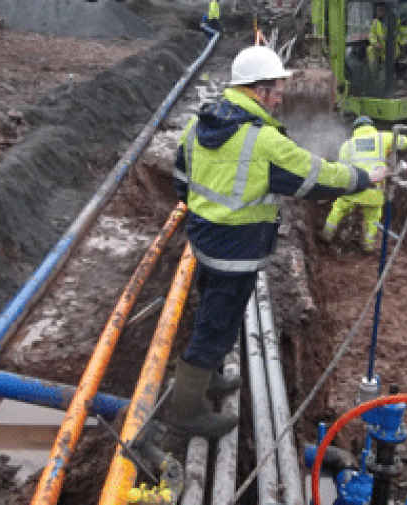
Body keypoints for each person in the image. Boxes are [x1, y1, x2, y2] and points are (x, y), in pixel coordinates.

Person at [166, 46, 394, 439]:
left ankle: (207, 378)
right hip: (236, 251)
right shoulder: (263, 142)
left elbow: (180, 180)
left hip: (204, 240)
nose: (279, 98)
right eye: (275, 90)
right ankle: (185, 410)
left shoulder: (198, 125)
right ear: (256, 89)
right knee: (216, 325)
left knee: (211, 310)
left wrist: (208, 214)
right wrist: (364, 178)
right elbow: (317, 176)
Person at [321, 116, 407, 252]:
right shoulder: (383, 137)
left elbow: (341, 170)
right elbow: (404, 143)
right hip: (374, 190)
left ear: (355, 130)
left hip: (352, 188)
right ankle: (367, 246)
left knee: (338, 209)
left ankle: (326, 236)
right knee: (372, 219)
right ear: (371, 126)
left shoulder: (347, 145)